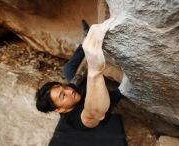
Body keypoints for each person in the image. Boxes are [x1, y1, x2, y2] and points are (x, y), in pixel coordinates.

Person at [35, 18, 131, 146]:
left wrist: (89, 48)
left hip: (84, 90)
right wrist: (93, 68)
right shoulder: (79, 119)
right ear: (59, 110)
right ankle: (125, 87)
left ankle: (85, 40)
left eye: (63, 87)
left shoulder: (70, 92)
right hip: (103, 103)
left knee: (68, 69)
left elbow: (77, 77)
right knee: (115, 94)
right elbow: (92, 113)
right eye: (63, 96)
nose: (69, 91)